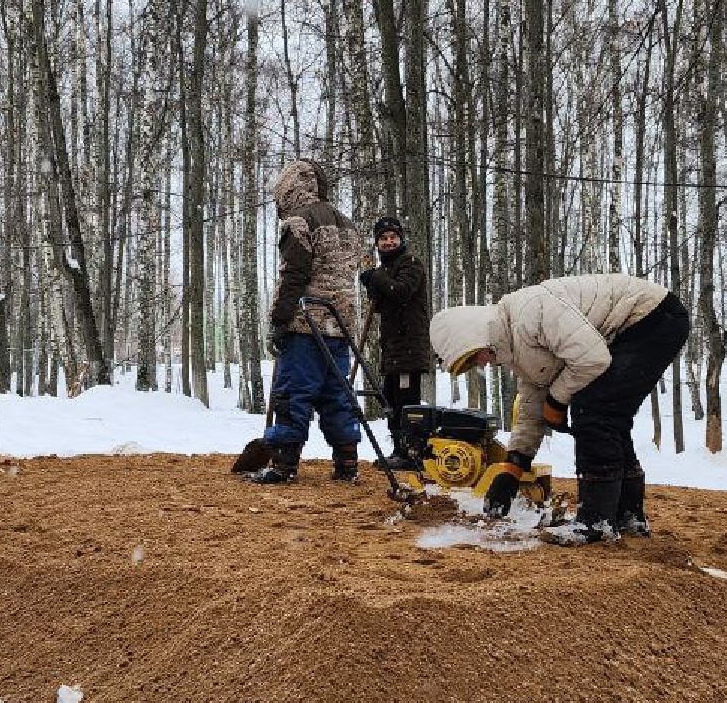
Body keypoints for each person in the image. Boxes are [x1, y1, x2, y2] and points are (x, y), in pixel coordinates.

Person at [429, 273, 690, 543]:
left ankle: (596, 523)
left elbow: (593, 360)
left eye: (475, 358)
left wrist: (556, 401)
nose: (482, 364)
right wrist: (513, 468)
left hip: (652, 317)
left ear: (476, 337)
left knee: (594, 411)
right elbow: (532, 403)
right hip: (644, 324)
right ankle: (627, 516)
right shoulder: (514, 345)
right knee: (607, 416)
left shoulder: (531, 313)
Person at [248, 158, 364, 484]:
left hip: (305, 324)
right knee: (336, 394)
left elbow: (294, 275)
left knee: (292, 393)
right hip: (340, 325)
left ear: (290, 189)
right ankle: (347, 463)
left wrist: (279, 319)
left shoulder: (299, 222)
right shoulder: (347, 224)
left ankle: (283, 465)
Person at [357, 215, 430, 470]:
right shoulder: (387, 269)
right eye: (383, 239)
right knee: (390, 399)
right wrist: (371, 284)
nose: (388, 242)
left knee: (406, 401)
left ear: (401, 240)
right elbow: (381, 305)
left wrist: (375, 277)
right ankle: (400, 449)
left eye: (392, 238)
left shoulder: (410, 263)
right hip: (392, 347)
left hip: (408, 348)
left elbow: (401, 292)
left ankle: (412, 452)